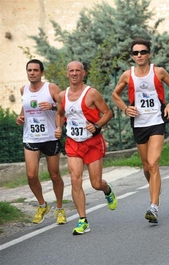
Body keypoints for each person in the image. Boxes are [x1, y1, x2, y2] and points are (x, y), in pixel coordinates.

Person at [112, 38, 169, 224]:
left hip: (157, 121)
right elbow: (114, 94)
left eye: (143, 52)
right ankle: (155, 186)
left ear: (149, 54)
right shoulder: (128, 75)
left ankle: (154, 207)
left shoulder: (158, 72)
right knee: (145, 166)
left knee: (153, 162)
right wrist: (125, 109)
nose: (139, 55)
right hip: (139, 124)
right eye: (136, 53)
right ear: (132, 56)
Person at [55, 61, 117, 235]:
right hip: (73, 142)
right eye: (71, 71)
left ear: (84, 73)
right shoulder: (62, 95)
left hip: (92, 143)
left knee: (96, 183)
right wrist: (59, 127)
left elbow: (108, 113)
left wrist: (97, 125)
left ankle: (107, 190)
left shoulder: (91, 94)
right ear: (67, 74)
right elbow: (59, 114)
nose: (74, 73)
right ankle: (83, 220)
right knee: (75, 178)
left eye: (77, 71)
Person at [15, 59, 66, 225]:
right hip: (31, 137)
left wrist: (51, 107)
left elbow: (64, 108)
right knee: (31, 176)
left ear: (41, 72)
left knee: (54, 175)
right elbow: (25, 108)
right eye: (29, 70)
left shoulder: (50, 88)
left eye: (35, 70)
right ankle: (42, 205)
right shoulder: (24, 89)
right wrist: (21, 117)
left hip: (50, 137)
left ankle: (59, 209)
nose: (32, 73)